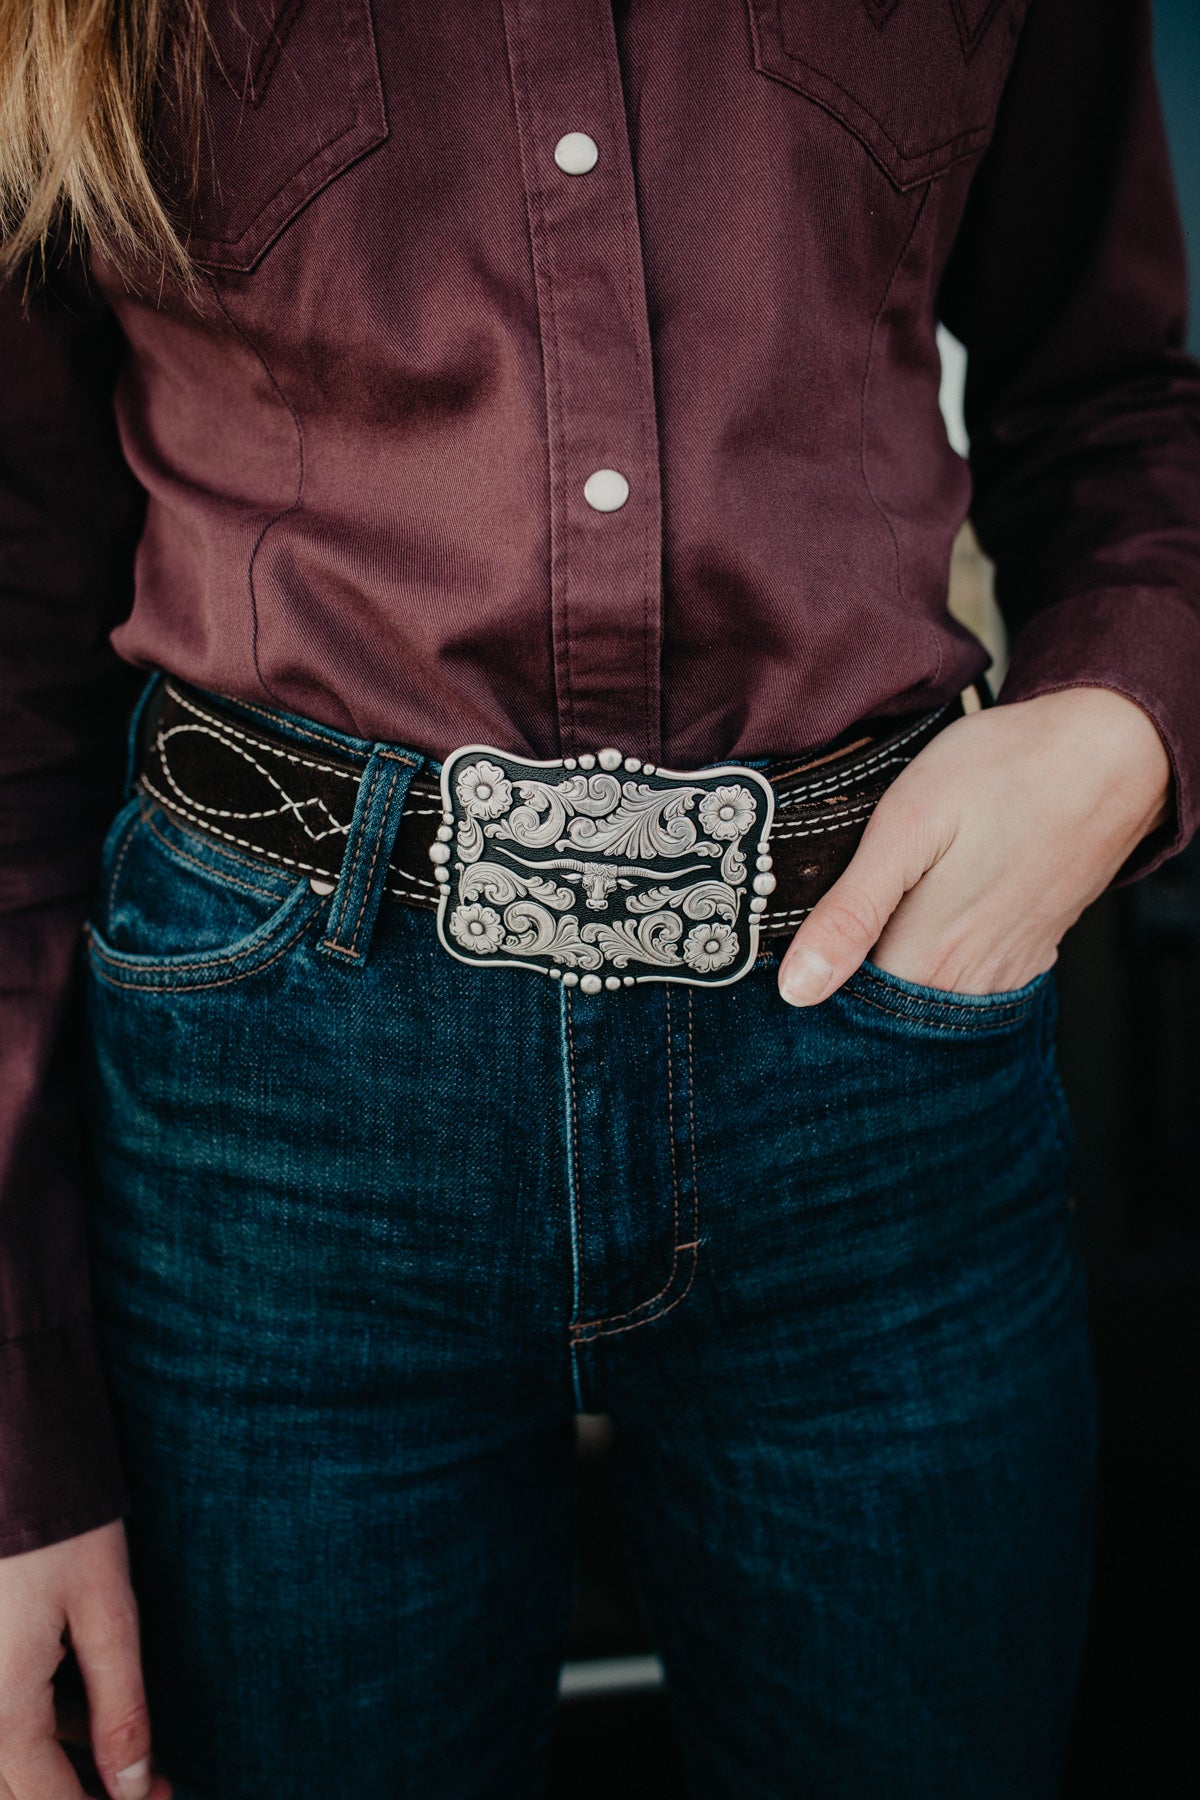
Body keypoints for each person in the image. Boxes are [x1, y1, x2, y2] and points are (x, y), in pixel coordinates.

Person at [1, 1, 1196, 1796]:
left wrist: (1125, 718)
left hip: (871, 1052)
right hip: (275, 1101)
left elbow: (1118, 403)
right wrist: (19, 1439)